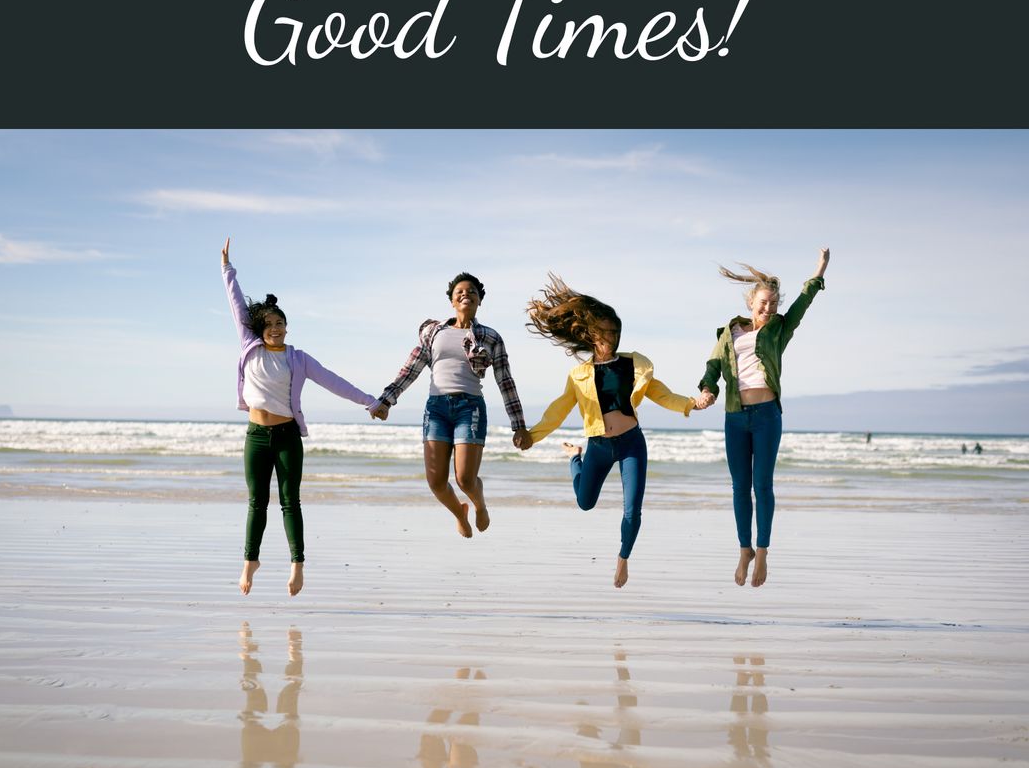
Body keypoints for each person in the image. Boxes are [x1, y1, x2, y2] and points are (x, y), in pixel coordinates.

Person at [222, 238, 381, 597]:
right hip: (256, 437)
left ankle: (297, 565)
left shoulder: (299, 358)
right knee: (256, 501)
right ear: (259, 329)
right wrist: (227, 269)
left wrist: (370, 402)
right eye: (270, 324)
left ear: (287, 326)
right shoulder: (251, 348)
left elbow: (335, 382)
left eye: (280, 323)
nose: (275, 328)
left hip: (287, 437)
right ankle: (251, 561)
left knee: (290, 501)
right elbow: (235, 305)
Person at [521, 274, 699, 589]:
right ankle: (574, 458)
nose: (608, 337)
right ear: (590, 334)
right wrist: (532, 435)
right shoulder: (579, 375)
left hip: (632, 443)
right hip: (598, 447)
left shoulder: (633, 365)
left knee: (632, 509)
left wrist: (690, 404)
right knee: (585, 502)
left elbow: (661, 394)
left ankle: (623, 559)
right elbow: (559, 409)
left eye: (613, 332)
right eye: (602, 331)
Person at [695, 248, 830, 588]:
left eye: (773, 304)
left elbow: (803, 303)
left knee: (762, 486)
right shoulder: (728, 333)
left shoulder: (779, 330)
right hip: (735, 417)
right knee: (740, 487)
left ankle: (763, 551)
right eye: (763, 303)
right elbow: (712, 367)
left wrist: (819, 270)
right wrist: (708, 389)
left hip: (768, 415)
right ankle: (744, 550)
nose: (768, 309)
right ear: (750, 303)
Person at [373, 272, 531, 538]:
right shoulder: (434, 332)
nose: (465, 294)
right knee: (435, 481)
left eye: (472, 291)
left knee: (465, 479)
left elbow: (505, 381)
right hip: (436, 409)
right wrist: (387, 400)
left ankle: (480, 505)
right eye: (460, 291)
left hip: (470, 408)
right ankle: (460, 512)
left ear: (479, 300)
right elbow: (410, 370)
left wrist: (519, 426)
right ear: (452, 301)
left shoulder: (491, 337)